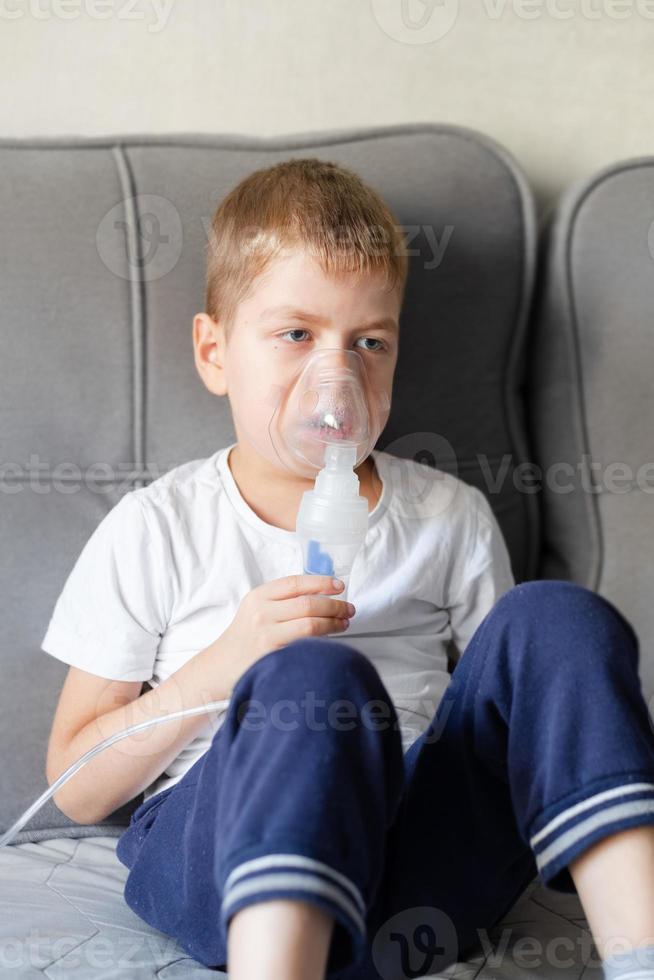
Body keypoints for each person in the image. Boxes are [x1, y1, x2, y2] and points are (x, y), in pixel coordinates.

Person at [42, 158, 654, 980]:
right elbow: (77, 790)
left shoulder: (448, 517)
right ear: (215, 352)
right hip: (225, 862)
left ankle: (639, 953)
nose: (339, 378)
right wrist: (231, 661)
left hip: (418, 880)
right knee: (313, 681)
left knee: (559, 619)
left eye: (369, 342)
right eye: (296, 334)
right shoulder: (160, 527)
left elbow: (517, 711)